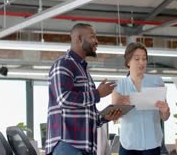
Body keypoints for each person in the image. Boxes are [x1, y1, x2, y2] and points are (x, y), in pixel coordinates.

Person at [46, 23, 123, 155]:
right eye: (93, 37)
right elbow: (64, 99)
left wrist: (105, 117)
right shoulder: (64, 64)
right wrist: (98, 93)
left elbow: (86, 114)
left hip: (83, 147)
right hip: (68, 144)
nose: (96, 41)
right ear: (79, 39)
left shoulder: (83, 70)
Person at [112, 42, 170, 155]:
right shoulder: (119, 85)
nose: (141, 62)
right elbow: (114, 119)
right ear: (128, 61)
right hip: (129, 144)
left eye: (144, 59)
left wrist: (166, 111)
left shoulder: (157, 82)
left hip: (152, 143)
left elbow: (165, 117)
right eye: (137, 59)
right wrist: (122, 106)